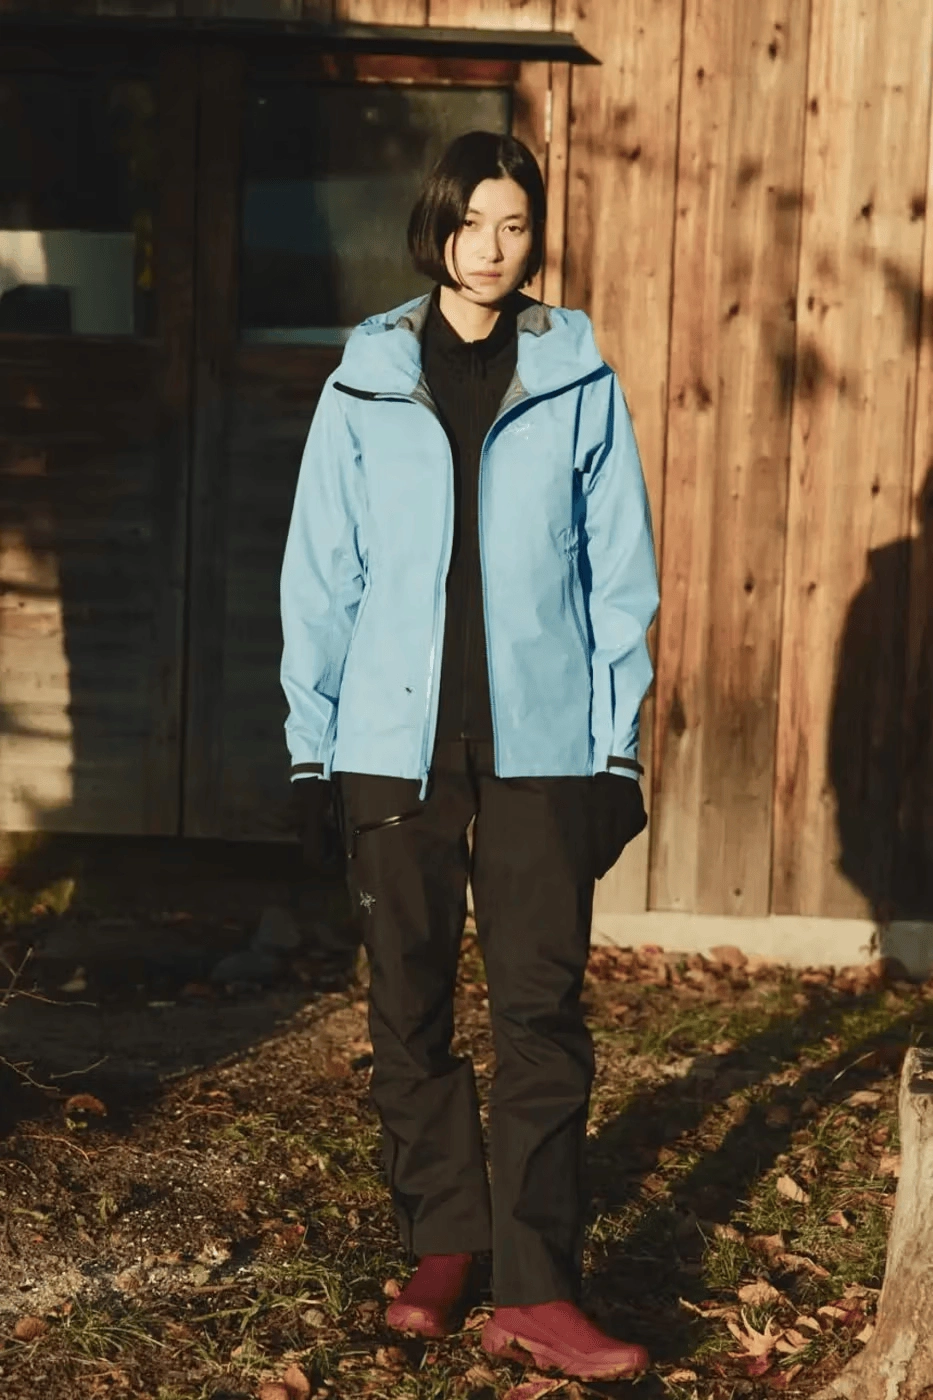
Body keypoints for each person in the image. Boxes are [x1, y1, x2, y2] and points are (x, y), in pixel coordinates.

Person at [280, 130, 658, 1382]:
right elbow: (320, 575)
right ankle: (445, 1241)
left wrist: (617, 751)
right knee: (411, 1002)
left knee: (542, 1010)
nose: (495, 250)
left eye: (516, 226)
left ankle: (537, 1287)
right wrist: (310, 747)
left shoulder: (579, 377)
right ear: (436, 228)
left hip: (544, 744)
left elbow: (620, 581)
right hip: (393, 744)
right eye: (474, 224)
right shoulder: (365, 380)